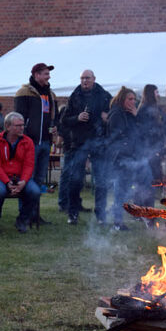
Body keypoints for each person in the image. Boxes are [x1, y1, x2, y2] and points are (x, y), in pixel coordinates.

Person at [61, 69, 112, 225]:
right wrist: (77, 117)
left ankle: (101, 215)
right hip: (80, 142)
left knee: (101, 181)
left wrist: (107, 118)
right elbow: (64, 120)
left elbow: (115, 115)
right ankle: (73, 213)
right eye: (82, 78)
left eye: (87, 78)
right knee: (75, 180)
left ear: (94, 79)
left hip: (99, 142)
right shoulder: (75, 96)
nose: (85, 81)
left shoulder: (104, 96)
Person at [14, 63, 57, 226]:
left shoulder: (50, 94)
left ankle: (35, 215)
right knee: (27, 179)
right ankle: (24, 215)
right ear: (36, 75)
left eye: (48, 74)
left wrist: (55, 127)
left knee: (39, 180)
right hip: (29, 143)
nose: (48, 77)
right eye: (46, 74)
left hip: (45, 142)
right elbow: (18, 118)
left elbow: (55, 116)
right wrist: (22, 139)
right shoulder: (24, 92)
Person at [0, 112, 40, 234]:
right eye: (17, 125)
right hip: (0, 178)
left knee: (35, 191)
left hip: (21, 177)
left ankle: (22, 220)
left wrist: (23, 181)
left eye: (22, 125)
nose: (21, 128)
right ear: (7, 126)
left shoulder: (28, 142)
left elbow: (29, 165)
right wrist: (7, 182)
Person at [107, 87, 152, 231]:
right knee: (121, 190)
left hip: (135, 157)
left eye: (134, 99)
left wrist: (136, 116)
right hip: (122, 158)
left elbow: (142, 133)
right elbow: (119, 136)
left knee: (145, 184)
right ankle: (117, 222)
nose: (133, 102)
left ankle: (146, 215)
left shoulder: (131, 114)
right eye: (130, 99)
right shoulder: (116, 114)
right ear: (122, 99)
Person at [136, 84, 164, 205]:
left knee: (148, 181)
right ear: (151, 93)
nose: (158, 95)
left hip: (153, 150)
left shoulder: (154, 108)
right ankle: (143, 208)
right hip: (147, 150)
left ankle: (143, 207)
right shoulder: (145, 110)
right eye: (156, 92)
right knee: (146, 181)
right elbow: (144, 131)